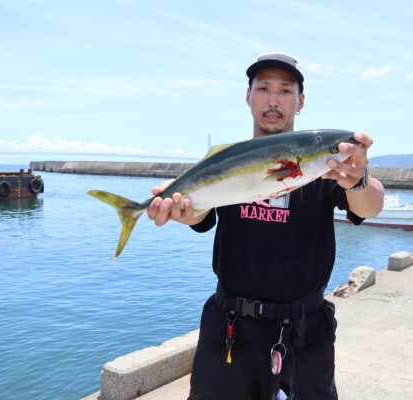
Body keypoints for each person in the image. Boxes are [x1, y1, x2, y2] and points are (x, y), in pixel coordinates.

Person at [148, 52, 385, 400]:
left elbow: (371, 206)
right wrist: (184, 210)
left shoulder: (321, 164)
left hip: (304, 333)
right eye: (263, 88)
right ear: (248, 96)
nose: (273, 100)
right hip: (229, 328)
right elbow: (201, 215)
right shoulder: (228, 162)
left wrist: (358, 180)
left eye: (285, 91)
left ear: (300, 100)